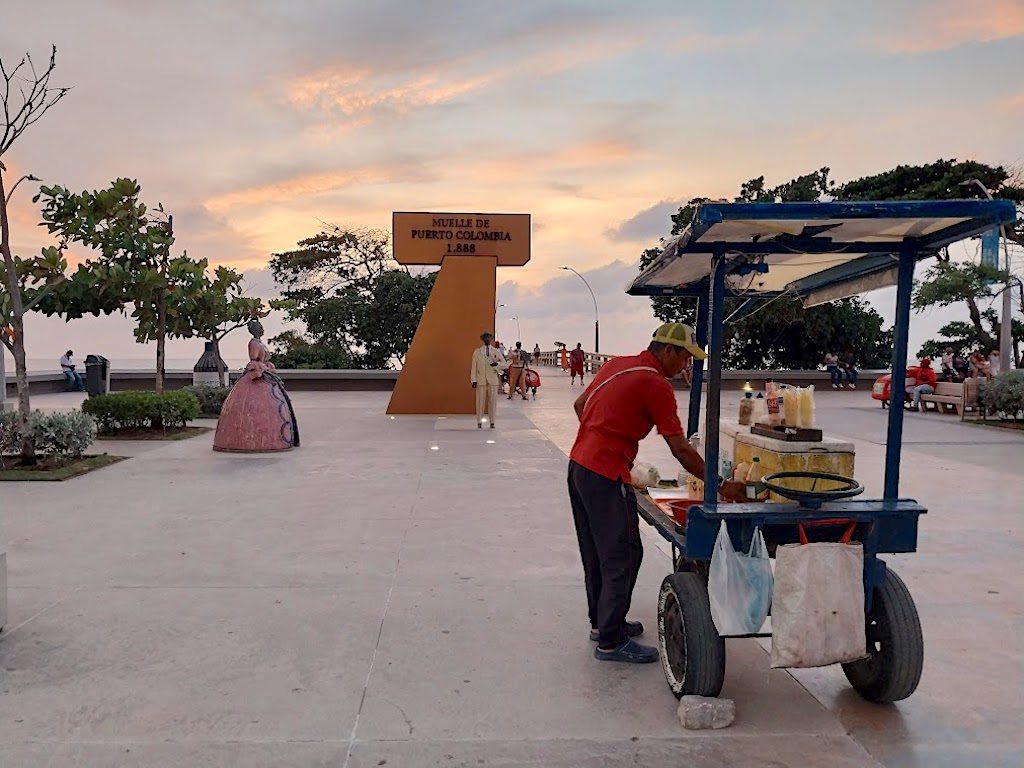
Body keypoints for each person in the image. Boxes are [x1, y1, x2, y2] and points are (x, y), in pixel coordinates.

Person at [567, 323, 746, 664]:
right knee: (624, 554)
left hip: (579, 467)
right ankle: (611, 640)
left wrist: (602, 436)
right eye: (685, 358)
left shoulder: (617, 363)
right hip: (605, 474)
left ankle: (602, 622)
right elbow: (679, 448)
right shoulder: (655, 383)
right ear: (667, 351)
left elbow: (580, 405)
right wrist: (720, 486)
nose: (686, 367)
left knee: (597, 552)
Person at [213, 320, 300, 451]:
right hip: (258, 373)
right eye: (260, 327)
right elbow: (253, 357)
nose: (262, 329)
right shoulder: (254, 343)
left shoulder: (258, 343)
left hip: (264, 373)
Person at [470, 332, 507, 428]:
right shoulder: (477, 352)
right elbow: (474, 366)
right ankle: (479, 421)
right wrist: (473, 379)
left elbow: (504, 364)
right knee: (480, 402)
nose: (487, 339)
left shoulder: (495, 351)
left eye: (489, 338)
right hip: (481, 379)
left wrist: (497, 365)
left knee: (493, 401)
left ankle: (492, 422)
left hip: (493, 380)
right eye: (485, 338)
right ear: (483, 339)